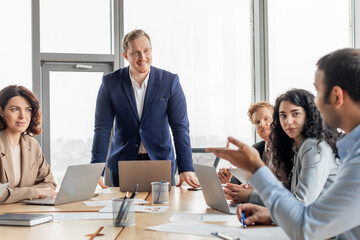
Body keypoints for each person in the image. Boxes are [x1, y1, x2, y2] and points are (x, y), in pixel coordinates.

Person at [207, 48, 360, 239]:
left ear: (337, 96)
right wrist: (273, 214)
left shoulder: (324, 150)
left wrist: (256, 169)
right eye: (283, 116)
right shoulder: (347, 149)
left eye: (318, 92)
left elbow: (306, 226)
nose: (316, 104)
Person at [91, 29, 199, 188]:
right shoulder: (110, 83)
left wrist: (186, 167)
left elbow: (180, 127)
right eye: (136, 52)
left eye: (146, 50)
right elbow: (102, 128)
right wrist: (96, 171)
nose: (143, 57)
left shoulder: (170, 82)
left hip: (160, 162)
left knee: (161, 211)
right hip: (123, 164)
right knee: (123, 212)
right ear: (126, 56)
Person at [0, 85, 56, 204]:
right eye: (15, 109)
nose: (23, 116)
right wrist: (34, 192)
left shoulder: (32, 144)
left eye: (28, 110)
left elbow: (50, 184)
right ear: (1, 111)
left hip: (25, 212)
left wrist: (15, 194)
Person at [218, 102, 276, 204]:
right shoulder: (256, 149)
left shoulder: (290, 150)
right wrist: (227, 179)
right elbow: (240, 179)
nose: (262, 124)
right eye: (257, 122)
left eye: (266, 119)